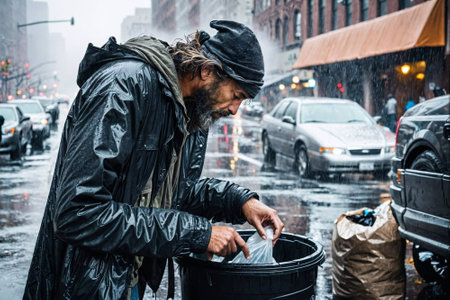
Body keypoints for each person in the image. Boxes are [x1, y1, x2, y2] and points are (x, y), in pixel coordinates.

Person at [23, 20, 284, 300]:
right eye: (236, 95)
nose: (235, 110)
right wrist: (197, 233)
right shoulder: (123, 87)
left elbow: (171, 195)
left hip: (126, 280)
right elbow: (78, 212)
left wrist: (240, 202)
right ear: (208, 71)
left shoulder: (191, 112)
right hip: (83, 286)